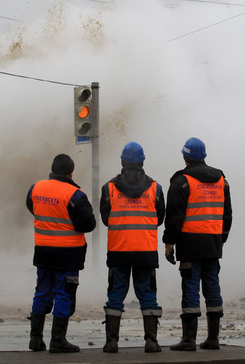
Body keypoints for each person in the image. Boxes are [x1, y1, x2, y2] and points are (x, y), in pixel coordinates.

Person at [163, 137, 233, 351]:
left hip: (190, 243)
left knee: (191, 286)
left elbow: (174, 217)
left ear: (185, 157)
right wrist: (221, 238)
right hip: (212, 243)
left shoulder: (181, 181)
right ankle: (213, 339)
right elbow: (227, 214)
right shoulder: (221, 179)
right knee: (212, 286)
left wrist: (169, 243)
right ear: (203, 156)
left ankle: (189, 340)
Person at [26, 154, 96, 353]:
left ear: (52, 169)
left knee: (41, 293)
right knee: (64, 294)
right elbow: (89, 224)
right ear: (71, 172)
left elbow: (32, 207)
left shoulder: (36, 188)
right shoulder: (75, 194)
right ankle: (58, 340)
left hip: (42, 251)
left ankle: (35, 339)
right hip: (67, 254)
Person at [100, 142, 166, 353]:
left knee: (116, 294)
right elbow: (159, 218)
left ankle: (111, 343)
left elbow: (105, 219)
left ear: (122, 161)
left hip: (119, 249)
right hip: (145, 251)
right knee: (147, 294)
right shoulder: (155, 188)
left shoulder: (109, 188)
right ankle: (151, 342)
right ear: (142, 162)